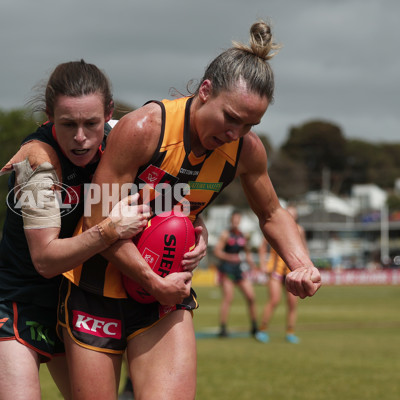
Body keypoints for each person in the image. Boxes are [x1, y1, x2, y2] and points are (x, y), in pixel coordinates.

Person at [59, 20, 321, 399]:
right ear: (205, 91)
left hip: (167, 291)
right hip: (95, 288)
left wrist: (301, 264)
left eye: (249, 124)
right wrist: (152, 281)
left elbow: (272, 214)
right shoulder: (145, 129)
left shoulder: (246, 150)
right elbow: (98, 222)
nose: (235, 133)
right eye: (230, 117)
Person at [0, 60, 151, 400]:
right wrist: (109, 230)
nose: (81, 137)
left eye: (91, 123)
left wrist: (192, 228)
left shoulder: (125, 140)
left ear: (109, 113)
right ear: (49, 115)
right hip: (17, 298)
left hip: (74, 299)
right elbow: (45, 260)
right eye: (68, 124)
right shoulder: (36, 164)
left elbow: (164, 191)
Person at [255, 205, 306, 344]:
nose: (291, 216)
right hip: (275, 270)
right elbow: (262, 246)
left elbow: (304, 249)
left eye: (293, 214)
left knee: (292, 303)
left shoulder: (299, 230)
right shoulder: (276, 227)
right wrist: (263, 264)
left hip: (292, 270)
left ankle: (290, 332)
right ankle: (262, 330)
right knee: (274, 300)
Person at [213, 209, 259, 337]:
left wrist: (253, 267)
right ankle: (223, 328)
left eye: (238, 220)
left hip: (238, 269)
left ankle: (255, 327)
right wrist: (230, 257)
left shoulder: (243, 236)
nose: (236, 222)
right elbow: (217, 251)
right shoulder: (225, 234)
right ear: (231, 220)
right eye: (234, 220)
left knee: (251, 296)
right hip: (227, 269)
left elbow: (248, 254)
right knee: (228, 298)